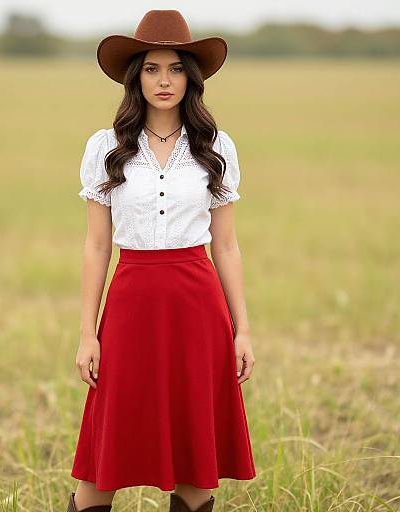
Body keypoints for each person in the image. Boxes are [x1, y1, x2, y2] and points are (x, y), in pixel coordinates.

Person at [67, 10, 256, 512]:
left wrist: (242, 329)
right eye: (152, 68)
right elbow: (96, 247)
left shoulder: (215, 147)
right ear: (136, 77)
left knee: (196, 468)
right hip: (130, 303)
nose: (164, 80)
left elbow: (227, 246)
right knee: (103, 464)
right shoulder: (106, 148)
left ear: (191, 77)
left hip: (198, 306)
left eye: (175, 68)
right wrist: (88, 332)